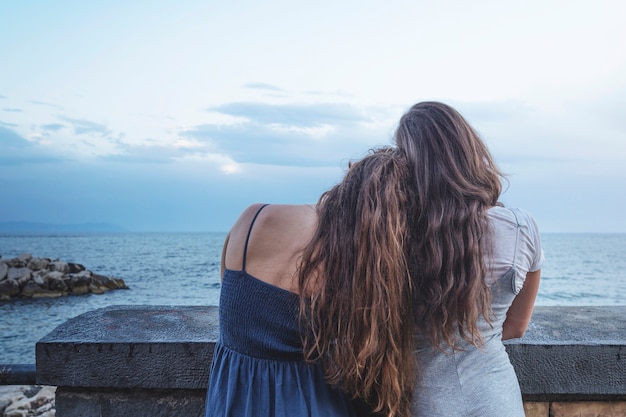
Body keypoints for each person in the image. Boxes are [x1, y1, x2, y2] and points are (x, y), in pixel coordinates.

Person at [205, 147, 419, 417]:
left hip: (234, 402)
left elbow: (229, 306)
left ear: (351, 175)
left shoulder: (254, 217)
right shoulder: (362, 273)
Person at [393, 101, 544, 417]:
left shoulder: (393, 237)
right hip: (496, 399)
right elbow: (516, 327)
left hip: (425, 403)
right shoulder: (520, 227)